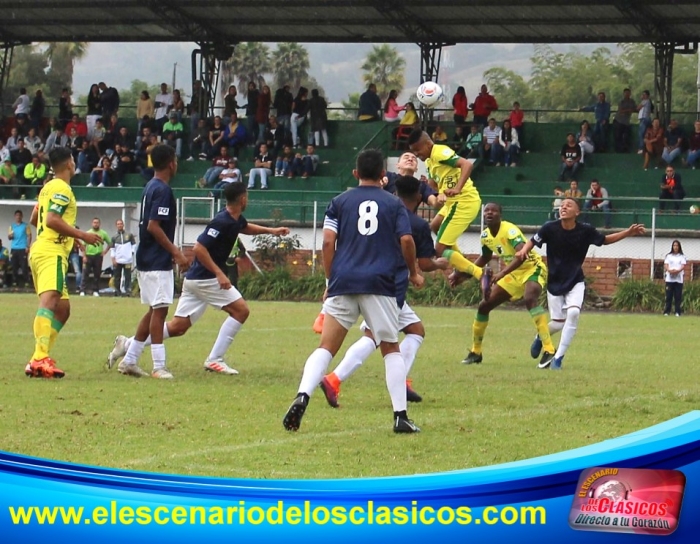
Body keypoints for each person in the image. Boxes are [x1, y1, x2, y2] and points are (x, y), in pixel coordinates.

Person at [282, 149, 424, 434]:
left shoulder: (339, 202)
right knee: (390, 347)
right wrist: (413, 271)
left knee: (326, 347)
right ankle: (400, 416)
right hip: (380, 284)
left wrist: (329, 281)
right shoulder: (394, 204)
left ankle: (302, 395)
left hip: (343, 281)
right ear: (384, 176)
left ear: (356, 174)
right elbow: (407, 240)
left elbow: (327, 242)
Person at [108, 183, 289, 374]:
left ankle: (127, 344)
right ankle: (215, 359)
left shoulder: (234, 219)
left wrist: (272, 231)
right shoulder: (221, 221)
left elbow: (244, 227)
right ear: (243, 199)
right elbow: (199, 248)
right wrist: (219, 273)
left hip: (195, 280)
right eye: (248, 197)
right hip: (206, 279)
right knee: (241, 311)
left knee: (178, 327)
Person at [319, 175, 448, 408]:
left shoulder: (383, 209)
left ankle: (402, 380)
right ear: (420, 197)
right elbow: (425, 262)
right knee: (375, 336)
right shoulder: (415, 224)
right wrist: (437, 265)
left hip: (364, 277)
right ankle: (334, 378)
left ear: (395, 191)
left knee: (415, 330)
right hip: (389, 286)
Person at [518, 198, 645, 370]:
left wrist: (627, 233)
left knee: (574, 314)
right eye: (562, 205)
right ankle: (541, 337)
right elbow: (533, 240)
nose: (564, 207)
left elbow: (605, 240)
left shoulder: (585, 230)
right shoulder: (549, 227)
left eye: (568, 205)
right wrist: (525, 250)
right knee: (557, 322)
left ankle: (558, 359)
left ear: (577, 212)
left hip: (575, 280)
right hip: (555, 281)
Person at [25, 147, 103, 378]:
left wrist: (71, 237)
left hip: (44, 248)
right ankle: (40, 357)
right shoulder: (62, 188)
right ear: (69, 163)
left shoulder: (47, 187)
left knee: (63, 310)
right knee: (49, 303)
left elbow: (34, 218)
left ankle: (38, 357)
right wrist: (82, 236)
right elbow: (51, 219)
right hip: (51, 251)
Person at [117, 145, 189, 380]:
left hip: (146, 255)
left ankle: (129, 360)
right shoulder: (163, 190)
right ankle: (159, 366)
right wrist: (175, 252)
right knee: (160, 310)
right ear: (171, 163)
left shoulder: (150, 186)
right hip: (156, 258)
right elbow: (153, 226)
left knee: (153, 310)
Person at [454, 203, 554, 369]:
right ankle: (476, 352)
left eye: (493, 210)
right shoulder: (485, 235)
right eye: (486, 210)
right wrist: (463, 274)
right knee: (484, 306)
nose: (489, 213)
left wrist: (501, 274)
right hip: (513, 274)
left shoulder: (510, 230)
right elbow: (484, 258)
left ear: (500, 214)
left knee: (530, 298)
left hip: (532, 268)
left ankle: (549, 349)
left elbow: (522, 255)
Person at [408, 130, 484, 282]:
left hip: (463, 202)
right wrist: (430, 188)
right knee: (435, 226)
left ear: (429, 144)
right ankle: (462, 265)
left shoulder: (440, 152)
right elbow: (434, 185)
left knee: (439, 250)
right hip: (452, 203)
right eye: (413, 151)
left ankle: (480, 274)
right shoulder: (430, 161)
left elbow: (467, 165)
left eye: (418, 150)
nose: (416, 154)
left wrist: (457, 188)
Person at [79, 217, 111, 296]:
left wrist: (105, 252)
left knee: (97, 274)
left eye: (97, 222)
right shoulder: (88, 233)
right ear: (92, 223)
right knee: (85, 273)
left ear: (99, 224)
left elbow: (110, 243)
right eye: (94, 222)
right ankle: (82, 290)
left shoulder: (103, 233)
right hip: (89, 255)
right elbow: (83, 246)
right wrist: (84, 256)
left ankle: (95, 290)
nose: (95, 224)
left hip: (98, 256)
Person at [111, 219, 136, 297]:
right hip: (118, 260)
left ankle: (128, 290)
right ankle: (117, 290)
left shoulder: (129, 235)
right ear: (116, 225)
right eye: (118, 224)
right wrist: (113, 259)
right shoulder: (114, 237)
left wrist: (131, 253)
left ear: (123, 225)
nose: (119, 225)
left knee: (127, 275)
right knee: (117, 276)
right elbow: (112, 249)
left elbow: (134, 245)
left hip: (127, 260)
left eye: (121, 224)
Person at [8, 209, 32, 288]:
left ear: (22, 216)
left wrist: (28, 246)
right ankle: (15, 282)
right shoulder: (12, 226)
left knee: (24, 266)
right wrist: (10, 236)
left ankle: (26, 282)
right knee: (14, 266)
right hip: (14, 248)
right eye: (17, 215)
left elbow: (29, 236)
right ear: (15, 216)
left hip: (22, 248)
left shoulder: (26, 226)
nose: (18, 217)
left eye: (19, 215)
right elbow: (9, 237)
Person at [663, 240, 686, 317]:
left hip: (678, 279)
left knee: (678, 296)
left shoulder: (682, 256)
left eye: (677, 246)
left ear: (679, 247)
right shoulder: (668, 256)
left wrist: (677, 271)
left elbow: (683, 265)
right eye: (674, 245)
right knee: (669, 296)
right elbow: (666, 265)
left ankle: (677, 312)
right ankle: (667, 311)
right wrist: (669, 270)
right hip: (670, 279)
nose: (675, 247)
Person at [612, 88, 636, 153]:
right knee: (617, 136)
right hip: (618, 120)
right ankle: (617, 150)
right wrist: (628, 110)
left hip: (626, 122)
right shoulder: (621, 101)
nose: (627, 95)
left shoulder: (632, 102)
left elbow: (634, 108)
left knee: (626, 136)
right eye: (626, 93)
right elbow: (620, 111)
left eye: (628, 93)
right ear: (623, 94)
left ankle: (625, 149)